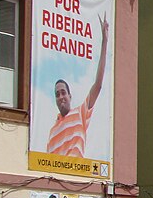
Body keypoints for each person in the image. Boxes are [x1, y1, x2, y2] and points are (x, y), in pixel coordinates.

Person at [46, 14, 109, 157]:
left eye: (63, 92)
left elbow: (98, 85)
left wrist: (105, 41)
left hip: (78, 174)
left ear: (70, 96)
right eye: (57, 94)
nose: (61, 97)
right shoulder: (52, 132)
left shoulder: (80, 113)